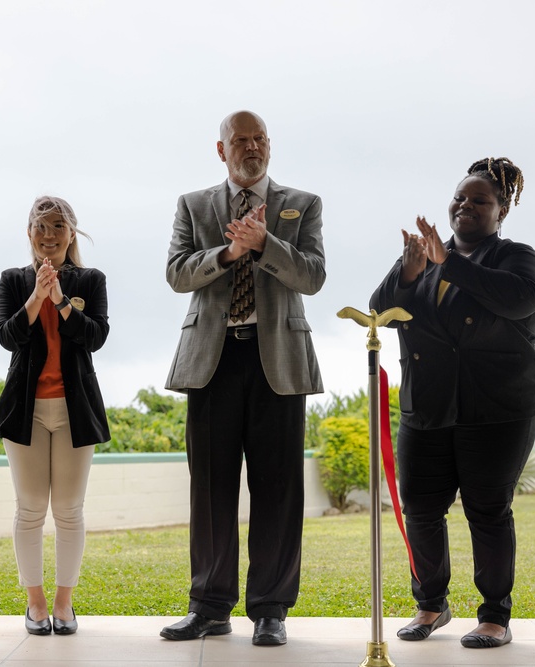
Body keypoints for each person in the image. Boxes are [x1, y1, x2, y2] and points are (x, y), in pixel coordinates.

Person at [160, 110, 326, 647]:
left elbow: (313, 275)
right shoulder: (193, 205)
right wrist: (230, 252)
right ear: (221, 149)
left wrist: (264, 245)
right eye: (240, 140)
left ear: (269, 146)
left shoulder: (303, 203)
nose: (251, 148)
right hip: (213, 360)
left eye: (259, 140)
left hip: (277, 359)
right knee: (210, 488)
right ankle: (209, 606)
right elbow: (177, 273)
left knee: (278, 488)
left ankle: (271, 610)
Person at [370, 157, 535, 649]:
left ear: (502, 211)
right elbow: (379, 315)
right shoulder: (423, 256)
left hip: (496, 409)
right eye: (460, 198)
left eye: (480, 201)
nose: (465, 206)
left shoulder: (516, 257)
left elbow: (519, 300)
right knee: (421, 509)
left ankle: (494, 616)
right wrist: (407, 273)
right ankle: (431, 604)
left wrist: (451, 263)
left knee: (487, 510)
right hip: (427, 407)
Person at [0, 196, 110, 636]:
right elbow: (8, 337)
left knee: (70, 510)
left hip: (76, 411)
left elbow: (94, 337)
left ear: (71, 233)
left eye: (58, 226)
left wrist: (60, 300)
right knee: (31, 508)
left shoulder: (91, 280)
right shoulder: (12, 280)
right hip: (26, 411)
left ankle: (64, 603)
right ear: (29, 234)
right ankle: (35, 603)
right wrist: (37, 296)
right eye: (40, 227)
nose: (49, 235)